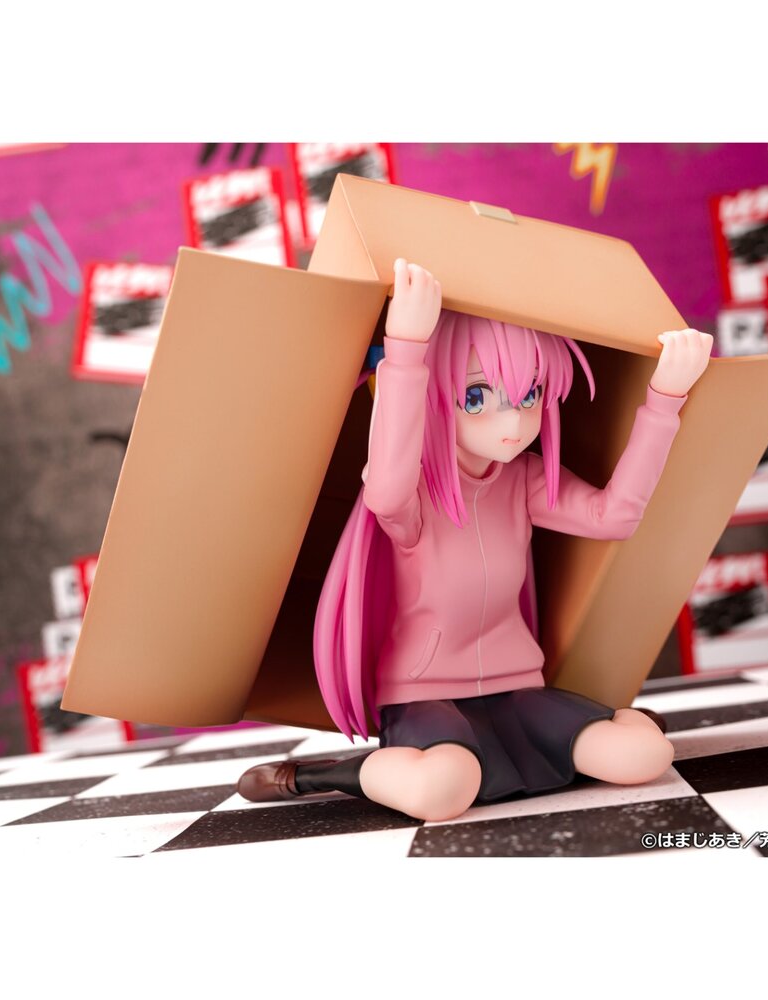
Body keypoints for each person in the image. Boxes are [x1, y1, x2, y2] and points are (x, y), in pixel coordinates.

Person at [238, 259, 713, 821]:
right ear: (439, 396)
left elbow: (614, 517)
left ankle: (598, 729)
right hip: (423, 692)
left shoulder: (524, 477)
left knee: (644, 756)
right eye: (476, 397)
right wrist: (406, 351)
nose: (512, 424)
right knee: (441, 790)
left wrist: (663, 402)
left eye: (530, 396)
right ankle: (325, 775)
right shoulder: (413, 492)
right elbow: (385, 491)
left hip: (518, 686)